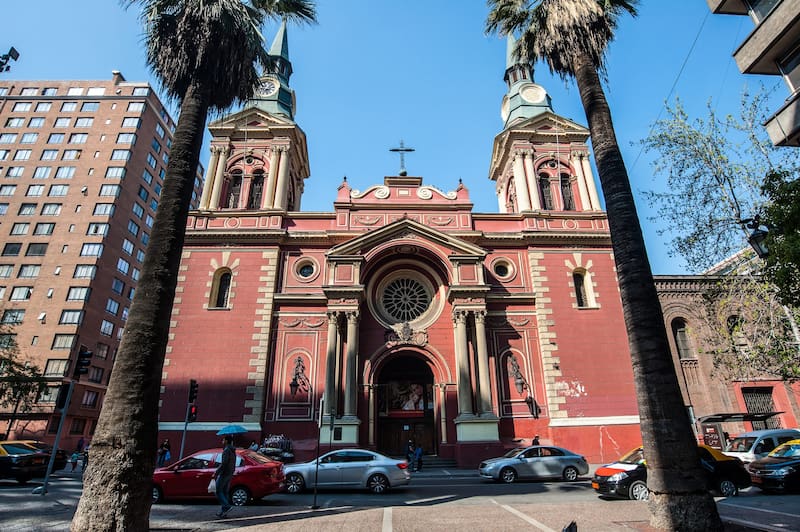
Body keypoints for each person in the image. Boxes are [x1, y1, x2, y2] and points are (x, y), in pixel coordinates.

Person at [213, 435, 236, 518]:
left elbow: (224, 463)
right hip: (230, 473)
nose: (222, 441)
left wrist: (217, 472)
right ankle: (223, 512)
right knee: (225, 491)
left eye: (223, 440)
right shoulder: (232, 450)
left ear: (226, 441)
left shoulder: (226, 450)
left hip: (224, 473)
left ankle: (227, 506)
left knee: (218, 491)